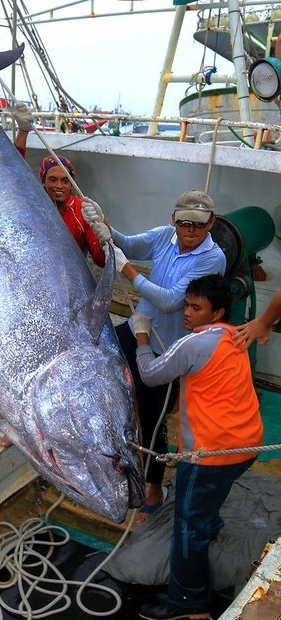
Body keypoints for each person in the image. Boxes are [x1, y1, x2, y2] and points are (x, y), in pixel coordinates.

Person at [81, 191, 227, 519]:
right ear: (172, 219)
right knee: (99, 367)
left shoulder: (212, 259)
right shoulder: (164, 236)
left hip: (168, 345)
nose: (190, 230)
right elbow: (127, 244)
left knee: (153, 418)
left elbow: (171, 301)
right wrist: (104, 225)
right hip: (137, 328)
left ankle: (154, 485)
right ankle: (112, 457)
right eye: (184, 222)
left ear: (212, 223)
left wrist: (128, 271)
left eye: (199, 225)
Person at [131, 275, 263, 620]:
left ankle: (188, 603)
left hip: (210, 455)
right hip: (247, 446)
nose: (186, 313)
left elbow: (150, 374)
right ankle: (211, 522)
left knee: (188, 525)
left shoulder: (191, 345)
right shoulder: (235, 336)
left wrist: (141, 334)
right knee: (206, 504)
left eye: (195, 307)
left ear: (216, 311)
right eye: (186, 305)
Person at [12, 102, 106, 267]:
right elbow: (13, 172)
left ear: (72, 185)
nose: (59, 186)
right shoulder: (33, 204)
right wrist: (23, 131)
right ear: (43, 181)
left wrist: (106, 233)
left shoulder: (81, 210)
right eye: (52, 179)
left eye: (65, 181)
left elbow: (100, 260)